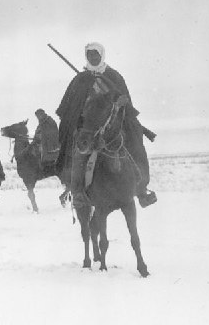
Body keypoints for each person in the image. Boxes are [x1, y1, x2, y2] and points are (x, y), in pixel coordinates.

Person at [56, 42, 156, 208]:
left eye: (96, 54)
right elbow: (70, 105)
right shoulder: (80, 79)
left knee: (134, 136)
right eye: (89, 55)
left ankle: (141, 189)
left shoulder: (114, 76)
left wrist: (119, 103)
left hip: (113, 121)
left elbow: (125, 99)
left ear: (101, 55)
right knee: (78, 150)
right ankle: (77, 191)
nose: (93, 57)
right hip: (88, 125)